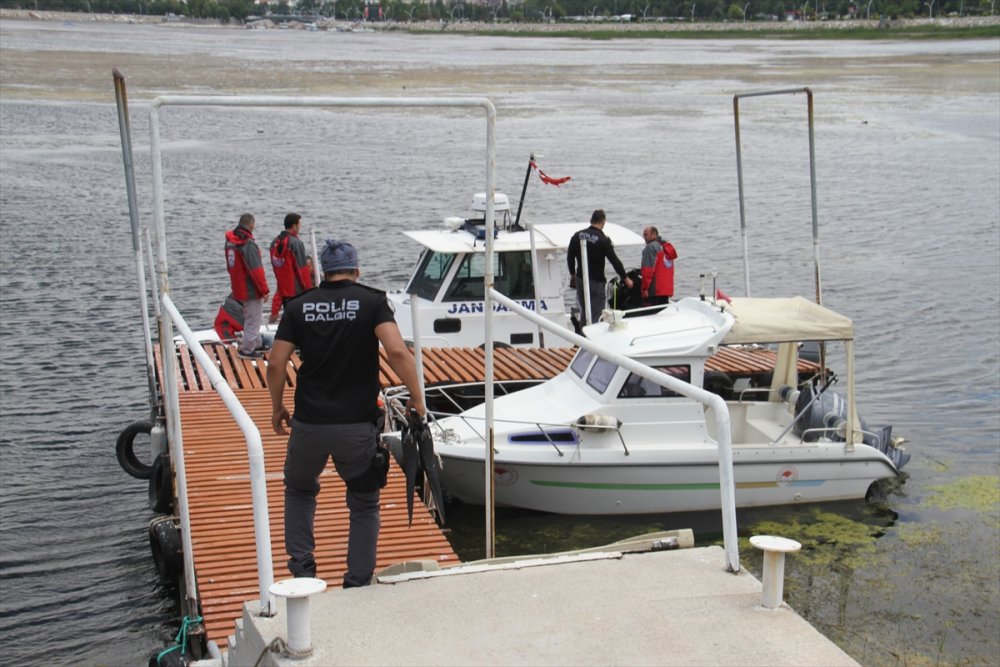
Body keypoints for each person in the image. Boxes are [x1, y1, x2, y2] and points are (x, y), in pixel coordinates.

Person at [267, 239, 426, 588]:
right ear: (357, 270)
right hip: (356, 425)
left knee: (299, 490)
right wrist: (417, 398)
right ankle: (356, 581)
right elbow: (397, 351)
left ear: (323, 272)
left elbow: (277, 362)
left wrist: (277, 406)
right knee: (364, 504)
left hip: (308, 423)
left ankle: (303, 573)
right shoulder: (372, 302)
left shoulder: (299, 306)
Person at [566, 209, 633, 325]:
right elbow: (615, 261)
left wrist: (573, 275)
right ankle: (592, 340)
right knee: (597, 314)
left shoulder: (577, 235)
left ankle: (583, 338)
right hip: (596, 282)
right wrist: (626, 278)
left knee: (584, 312)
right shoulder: (603, 240)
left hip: (580, 279)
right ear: (603, 222)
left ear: (591, 220)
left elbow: (570, 257)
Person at [224, 213, 270, 358]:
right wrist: (264, 290)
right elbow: (256, 270)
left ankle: (255, 342)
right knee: (254, 319)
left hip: (238, 287)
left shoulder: (230, 243)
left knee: (250, 317)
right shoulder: (248, 245)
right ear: (251, 225)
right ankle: (247, 349)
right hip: (250, 289)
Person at [269, 213, 314, 324]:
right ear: (294, 226)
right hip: (296, 292)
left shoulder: (274, 244)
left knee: (291, 321)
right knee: (300, 322)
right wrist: (308, 291)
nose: (300, 227)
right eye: (299, 224)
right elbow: (302, 270)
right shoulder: (295, 243)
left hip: (284, 292)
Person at [640, 226, 678, 306]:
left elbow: (648, 270)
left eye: (646, 235)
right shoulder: (667, 247)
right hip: (667, 289)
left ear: (654, 234)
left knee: (654, 316)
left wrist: (644, 288)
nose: (644, 237)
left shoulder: (650, 248)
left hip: (655, 290)